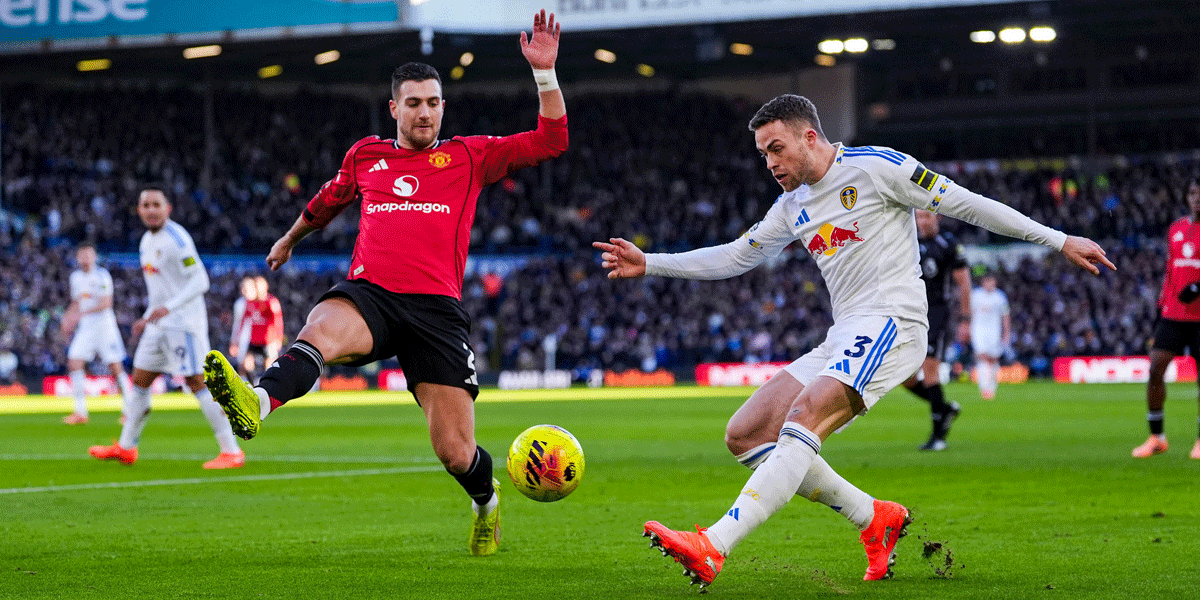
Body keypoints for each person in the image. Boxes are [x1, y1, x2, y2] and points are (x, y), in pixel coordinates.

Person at [594, 94, 1114, 590]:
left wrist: (1058, 238)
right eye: (762, 154)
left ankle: (715, 543)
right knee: (746, 433)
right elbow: (736, 256)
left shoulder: (875, 168)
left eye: (776, 149)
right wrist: (651, 262)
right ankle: (874, 517)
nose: (769, 163)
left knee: (805, 413)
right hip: (845, 332)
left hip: (895, 323)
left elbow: (966, 204)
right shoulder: (790, 206)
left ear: (809, 136)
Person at [202, 9, 568, 557]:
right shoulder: (366, 156)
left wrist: (544, 74)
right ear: (394, 107)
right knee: (319, 328)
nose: (425, 113)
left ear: (444, 106)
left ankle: (486, 504)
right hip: (370, 295)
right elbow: (328, 200)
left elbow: (551, 140)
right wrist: (288, 239)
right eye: (414, 103)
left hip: (436, 312)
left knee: (454, 450)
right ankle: (257, 402)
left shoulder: (470, 155)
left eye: (434, 102)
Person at [88, 187, 246, 469]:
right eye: (145, 205)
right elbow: (160, 290)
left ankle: (231, 450)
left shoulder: (177, 238)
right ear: (139, 210)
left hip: (183, 324)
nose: (150, 209)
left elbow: (201, 281)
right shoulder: (147, 241)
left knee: (198, 381)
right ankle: (127, 447)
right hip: (159, 324)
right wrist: (149, 315)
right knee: (140, 380)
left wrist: (169, 308)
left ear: (167, 208)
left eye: (156, 205)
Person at [1134, 177, 1200, 460]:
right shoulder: (1175, 229)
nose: (1198, 198)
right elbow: (1171, 273)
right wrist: (1161, 306)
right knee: (1155, 368)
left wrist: (1198, 287)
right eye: (1194, 192)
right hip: (1174, 314)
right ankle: (1156, 436)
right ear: (1187, 197)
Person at [899, 210, 970, 450]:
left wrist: (965, 319)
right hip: (911, 314)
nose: (922, 222)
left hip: (938, 313)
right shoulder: (909, 242)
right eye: (918, 217)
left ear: (937, 218)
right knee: (904, 377)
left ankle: (938, 437)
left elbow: (963, 282)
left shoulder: (948, 244)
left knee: (930, 371)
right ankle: (945, 409)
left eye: (927, 217)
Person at [60, 242, 133, 425]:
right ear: (77, 258)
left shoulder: (102, 276)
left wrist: (80, 315)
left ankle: (130, 410)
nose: (85, 259)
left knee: (115, 366)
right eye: (82, 255)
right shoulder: (75, 277)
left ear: (94, 257)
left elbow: (106, 303)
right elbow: (77, 301)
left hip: (104, 326)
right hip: (86, 327)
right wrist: (67, 318)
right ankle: (80, 412)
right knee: (74, 362)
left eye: (89, 255)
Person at [230, 275, 284, 381]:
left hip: (269, 340)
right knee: (246, 364)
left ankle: (269, 388)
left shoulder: (271, 302)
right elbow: (242, 322)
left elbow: (278, 322)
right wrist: (235, 342)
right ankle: (253, 386)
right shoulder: (250, 303)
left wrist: (279, 339)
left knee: (269, 366)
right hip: (254, 340)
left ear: (265, 287)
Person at [970, 273, 1010, 400]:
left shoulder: (1000, 297)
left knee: (993, 359)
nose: (989, 284)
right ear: (983, 282)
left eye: (991, 281)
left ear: (995, 282)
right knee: (981, 357)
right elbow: (969, 312)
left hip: (994, 331)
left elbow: (1005, 316)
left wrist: (1006, 332)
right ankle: (984, 389)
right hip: (978, 330)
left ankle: (992, 388)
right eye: (987, 281)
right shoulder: (975, 295)